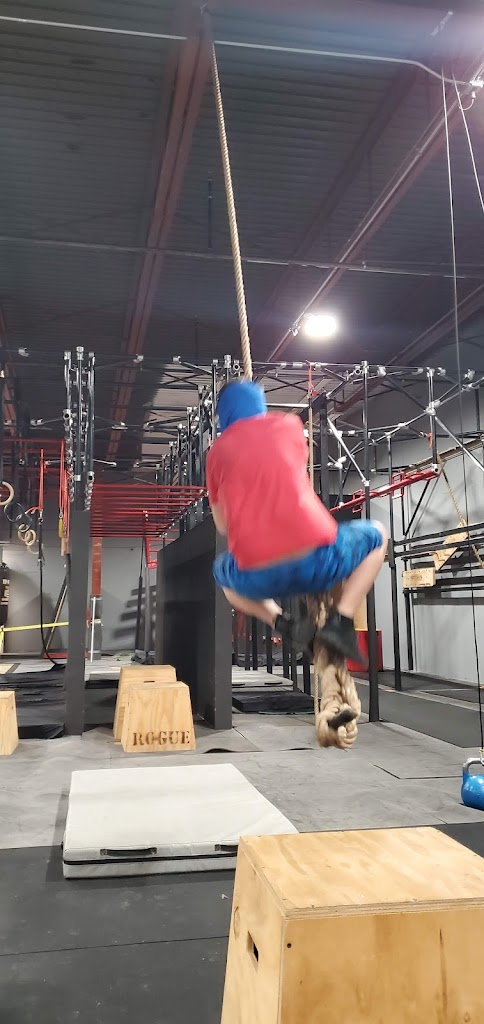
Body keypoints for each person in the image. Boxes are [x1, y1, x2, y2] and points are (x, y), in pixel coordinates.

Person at [206, 379, 387, 664]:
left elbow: (222, 526)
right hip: (319, 562)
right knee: (378, 534)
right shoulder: (289, 425)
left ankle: (284, 624)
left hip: (258, 578)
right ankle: (341, 621)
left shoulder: (216, 453)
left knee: (221, 572)